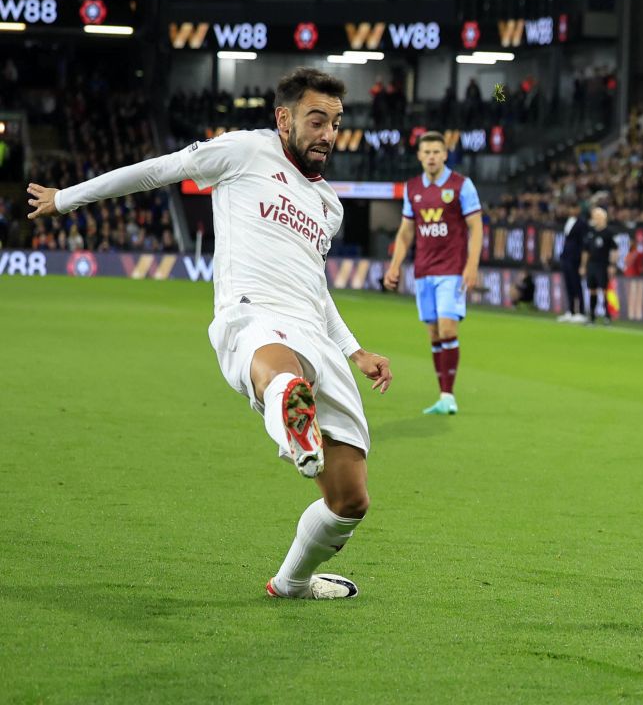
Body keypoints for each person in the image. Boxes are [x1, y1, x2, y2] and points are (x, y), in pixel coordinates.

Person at [26, 67, 393, 600]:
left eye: (336, 124)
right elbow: (158, 170)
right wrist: (67, 198)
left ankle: (290, 582)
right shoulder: (244, 151)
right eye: (317, 121)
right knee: (281, 371)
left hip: (313, 330)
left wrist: (354, 350)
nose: (328, 135)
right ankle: (292, 419)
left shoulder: (328, 205)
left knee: (350, 500)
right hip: (252, 314)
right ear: (284, 119)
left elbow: (316, 286)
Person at [383, 131, 482, 415]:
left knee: (448, 328)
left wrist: (471, 265)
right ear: (419, 156)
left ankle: (449, 396)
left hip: (452, 269)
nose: (431, 157)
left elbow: (476, 227)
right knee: (435, 334)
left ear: (445, 154)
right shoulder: (412, 187)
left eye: (436, 152)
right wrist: (394, 265)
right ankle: (443, 396)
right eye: (426, 152)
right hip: (424, 270)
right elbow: (406, 232)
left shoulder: (461, 185)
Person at [579, 207, 616, 325]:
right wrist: (583, 265)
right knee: (592, 290)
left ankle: (607, 316)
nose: (595, 219)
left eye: (598, 216)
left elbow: (614, 250)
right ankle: (592, 316)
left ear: (603, 218)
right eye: (594, 216)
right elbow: (586, 251)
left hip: (603, 265)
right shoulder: (590, 232)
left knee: (604, 290)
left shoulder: (609, 232)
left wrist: (612, 265)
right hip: (591, 265)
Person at [557, 203, 589, 323]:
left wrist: (582, 263)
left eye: (574, 208)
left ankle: (580, 312)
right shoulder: (568, 221)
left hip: (575, 258)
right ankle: (570, 311)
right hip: (566, 257)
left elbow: (584, 244)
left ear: (578, 209)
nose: (572, 210)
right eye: (570, 208)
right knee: (569, 285)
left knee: (577, 285)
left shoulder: (582, 223)